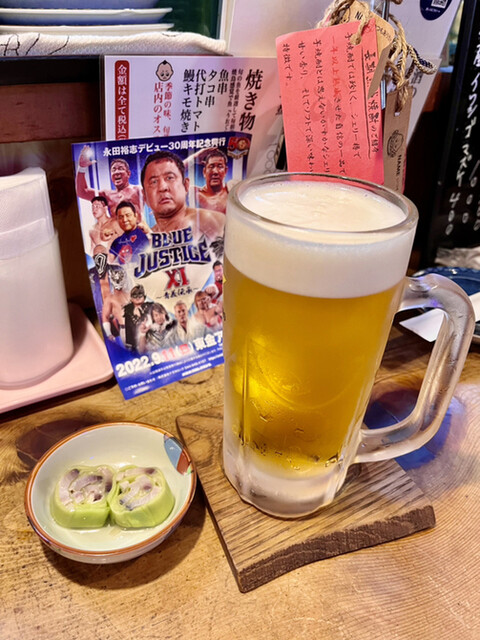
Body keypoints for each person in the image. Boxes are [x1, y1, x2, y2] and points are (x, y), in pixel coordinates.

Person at [140, 150, 225, 241]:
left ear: (186, 185)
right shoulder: (144, 240)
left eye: (170, 178)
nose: (162, 187)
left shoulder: (213, 221)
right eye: (154, 182)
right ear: (144, 197)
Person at [76, 145, 144, 219]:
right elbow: (82, 192)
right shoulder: (107, 195)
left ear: (128, 173)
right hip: (115, 226)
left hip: (137, 226)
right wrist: (82, 168)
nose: (116, 172)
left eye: (120, 168)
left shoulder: (138, 190)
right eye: (113, 170)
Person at [109, 201, 150, 265]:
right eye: (121, 217)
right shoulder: (116, 242)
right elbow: (109, 263)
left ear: (135, 216)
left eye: (128, 215)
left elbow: (156, 250)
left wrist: (148, 233)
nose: (124, 220)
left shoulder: (145, 234)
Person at [193, 149, 229, 214]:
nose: (215, 171)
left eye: (220, 166)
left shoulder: (230, 190)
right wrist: (193, 159)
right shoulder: (196, 194)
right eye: (211, 166)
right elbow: (173, 174)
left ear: (225, 171)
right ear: (204, 172)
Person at [101, 265, 130, 345]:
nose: (118, 280)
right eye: (116, 278)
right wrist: (108, 333)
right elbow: (105, 316)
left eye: (120, 277)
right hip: (125, 330)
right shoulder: (110, 299)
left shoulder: (130, 294)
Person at [122, 284, 153, 351]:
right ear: (131, 298)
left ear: (144, 297)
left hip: (151, 343)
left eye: (140, 294)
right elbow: (128, 331)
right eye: (134, 295)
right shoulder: (128, 312)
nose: (137, 297)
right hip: (135, 345)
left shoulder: (151, 307)